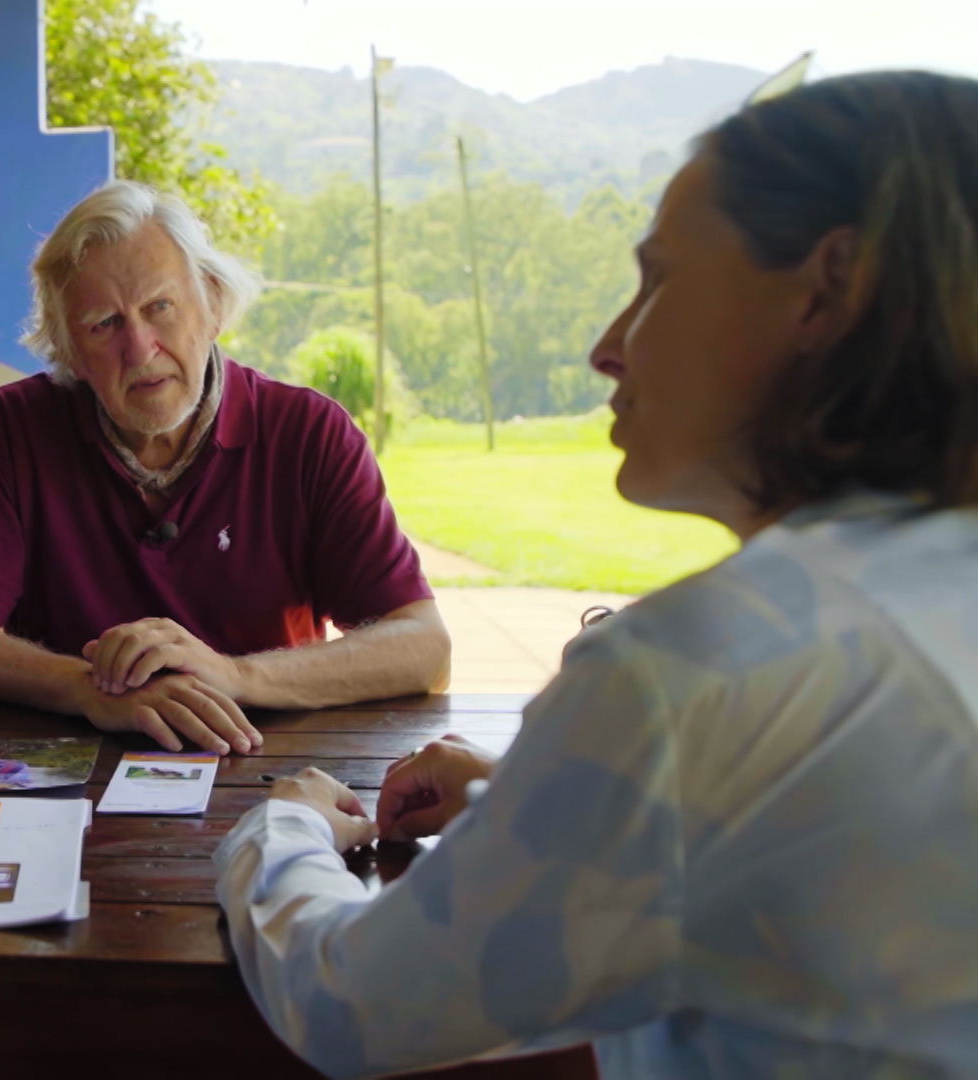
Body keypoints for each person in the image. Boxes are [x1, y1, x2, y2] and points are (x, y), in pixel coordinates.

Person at [215, 71, 978, 1078]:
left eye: (657, 280)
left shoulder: (690, 671)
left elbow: (352, 1004)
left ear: (826, 291)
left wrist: (278, 827)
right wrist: (530, 796)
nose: (607, 346)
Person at [0, 181, 449, 757]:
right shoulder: (15, 427)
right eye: (103, 323)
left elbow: (424, 648)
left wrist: (234, 676)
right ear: (68, 351)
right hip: (71, 771)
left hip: (267, 765)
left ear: (213, 305)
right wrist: (87, 689)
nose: (140, 348)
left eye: (159, 308)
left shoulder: (309, 433)